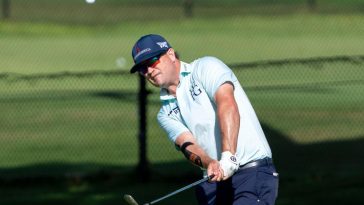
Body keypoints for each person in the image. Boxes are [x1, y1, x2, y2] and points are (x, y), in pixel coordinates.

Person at [130, 34, 279, 205]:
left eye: (152, 61)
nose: (148, 71)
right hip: (213, 183)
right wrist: (210, 163)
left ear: (170, 55)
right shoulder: (165, 113)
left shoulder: (205, 67)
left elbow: (227, 104)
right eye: (142, 69)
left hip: (251, 173)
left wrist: (228, 156)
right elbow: (187, 145)